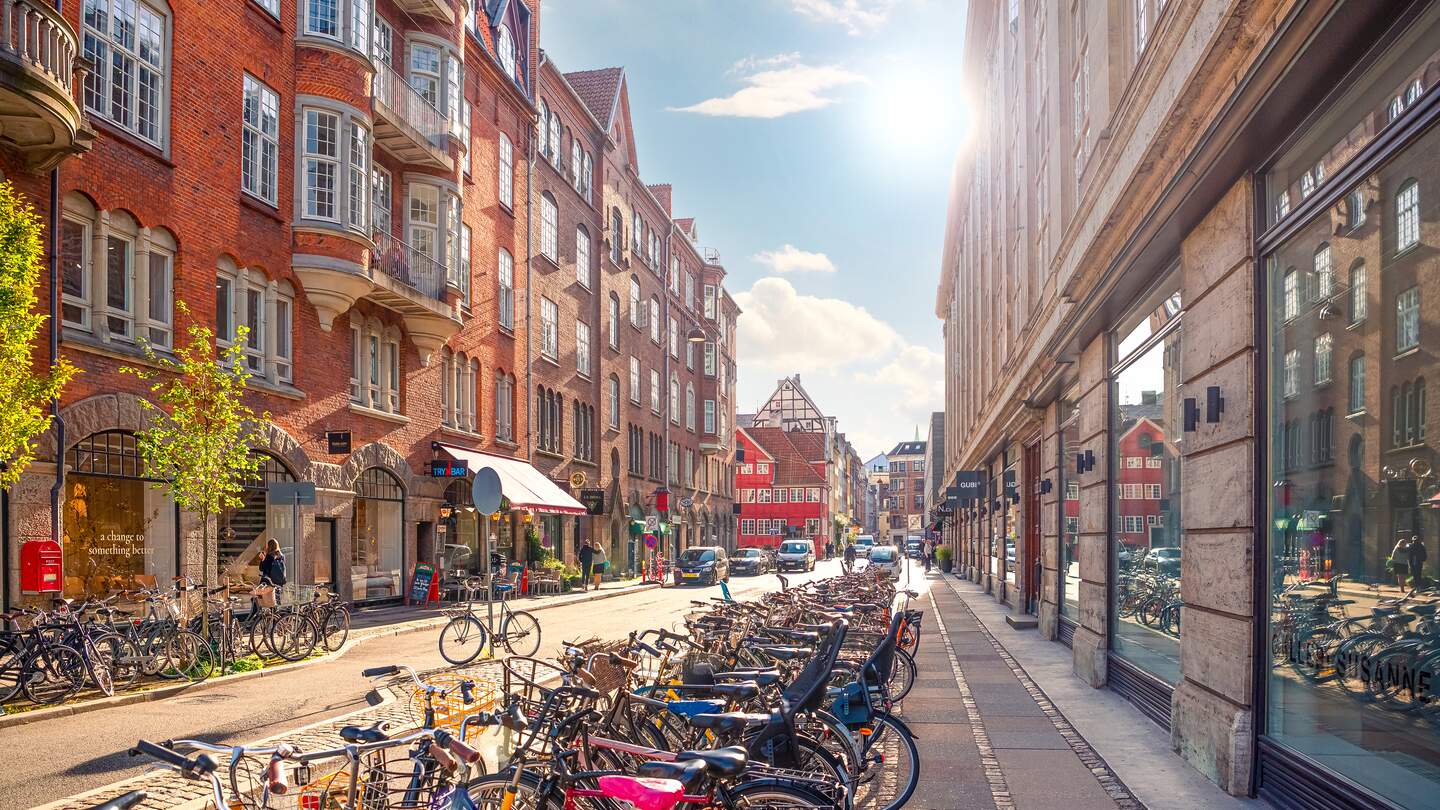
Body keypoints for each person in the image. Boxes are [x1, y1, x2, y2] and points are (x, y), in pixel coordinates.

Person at [258, 538, 286, 604]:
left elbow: (262, 568)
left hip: (269, 582)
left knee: (264, 599)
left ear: (269, 546)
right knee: (277, 600)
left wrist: (262, 559)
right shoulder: (281, 556)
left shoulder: (269, 556)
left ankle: (266, 610)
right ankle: (277, 610)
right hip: (279, 582)